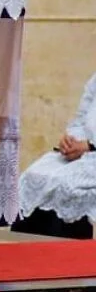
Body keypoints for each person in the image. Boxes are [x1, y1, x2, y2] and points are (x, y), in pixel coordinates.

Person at [18, 73, 96, 226]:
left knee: (66, 186)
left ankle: (67, 248)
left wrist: (89, 146)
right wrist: (70, 141)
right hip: (81, 152)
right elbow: (80, 120)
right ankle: (25, 247)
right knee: (33, 176)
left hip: (91, 155)